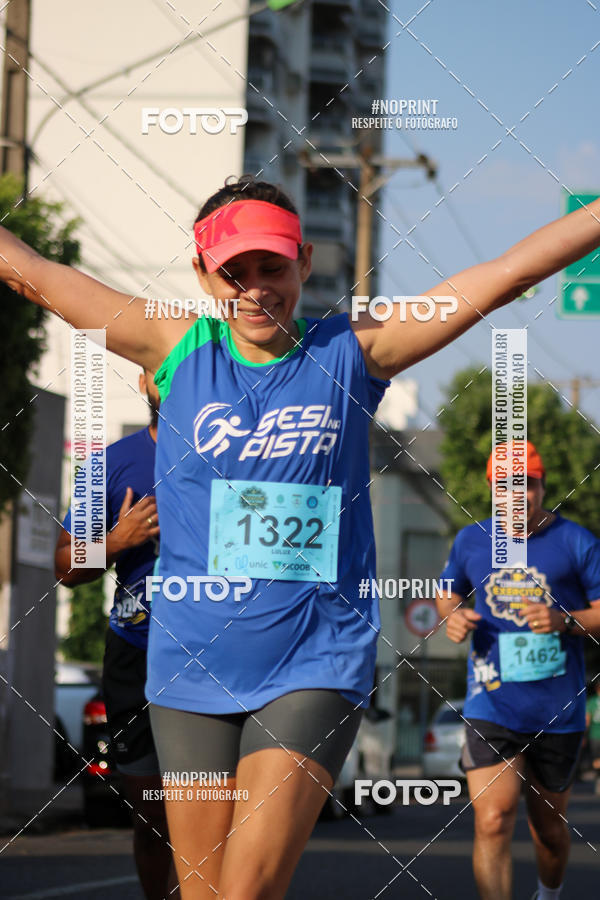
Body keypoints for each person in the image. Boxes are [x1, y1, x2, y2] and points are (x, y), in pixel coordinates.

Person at [3, 178, 600, 899]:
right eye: (233, 271)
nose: (255, 289)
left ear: (305, 262)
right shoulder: (176, 346)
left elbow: (509, 275)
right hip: (189, 670)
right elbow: (32, 274)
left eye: (272, 268)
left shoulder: (354, 350)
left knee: (246, 890)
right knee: (200, 890)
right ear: (201, 273)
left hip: (312, 664)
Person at [436, 441, 600, 900]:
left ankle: (548, 894)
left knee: (548, 829)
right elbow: (447, 592)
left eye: (527, 484)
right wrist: (452, 615)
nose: (518, 495)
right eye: (507, 486)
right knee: (493, 819)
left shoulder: (577, 542)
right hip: (491, 701)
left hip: (556, 708)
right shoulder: (471, 540)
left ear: (543, 487)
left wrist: (565, 621)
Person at [54, 370, 178, 900]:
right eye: (155, 364)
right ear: (143, 379)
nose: (167, 373)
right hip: (137, 654)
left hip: (225, 658)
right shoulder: (112, 462)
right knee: (153, 819)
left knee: (215, 811)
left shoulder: (246, 454)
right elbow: (63, 564)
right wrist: (114, 541)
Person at [585, 679, 600, 790]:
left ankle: (598, 778)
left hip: (594, 735)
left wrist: (584, 735)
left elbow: (587, 721)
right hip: (595, 735)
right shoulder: (591, 701)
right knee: (597, 760)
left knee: (597, 759)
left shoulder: (591, 702)